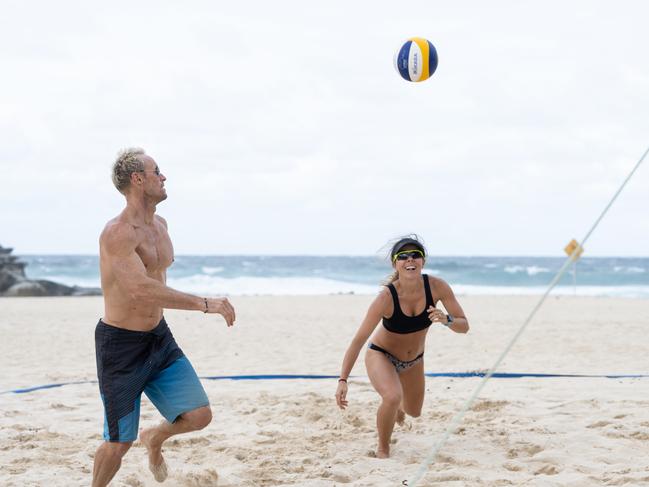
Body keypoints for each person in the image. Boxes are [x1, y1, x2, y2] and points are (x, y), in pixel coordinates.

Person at [92, 148, 236, 486]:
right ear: (138, 179)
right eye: (157, 171)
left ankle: (155, 437)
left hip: (158, 337)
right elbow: (139, 289)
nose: (164, 176)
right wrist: (205, 303)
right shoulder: (117, 233)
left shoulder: (161, 225)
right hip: (121, 347)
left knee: (200, 415)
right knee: (118, 442)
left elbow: (156, 281)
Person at [335, 236, 469, 458]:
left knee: (413, 412)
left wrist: (446, 320)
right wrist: (343, 380)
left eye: (416, 255)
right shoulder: (386, 297)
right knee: (392, 396)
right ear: (395, 264)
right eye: (403, 256)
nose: (410, 259)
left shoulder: (437, 287)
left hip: (414, 360)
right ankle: (383, 449)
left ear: (422, 261)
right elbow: (358, 341)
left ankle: (396, 409)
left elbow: (464, 326)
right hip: (382, 355)